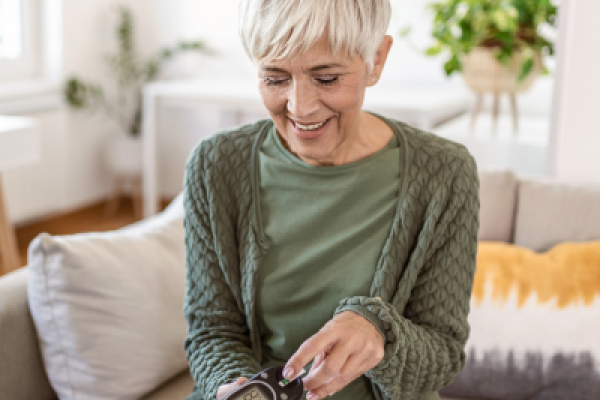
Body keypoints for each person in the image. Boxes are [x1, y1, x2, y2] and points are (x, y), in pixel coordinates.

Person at [182, 0, 480, 399]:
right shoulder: (214, 165)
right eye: (275, 78)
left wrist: (381, 332)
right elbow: (213, 330)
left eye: (326, 79)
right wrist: (242, 391)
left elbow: (443, 355)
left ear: (376, 59)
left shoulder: (445, 173)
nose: (299, 107)